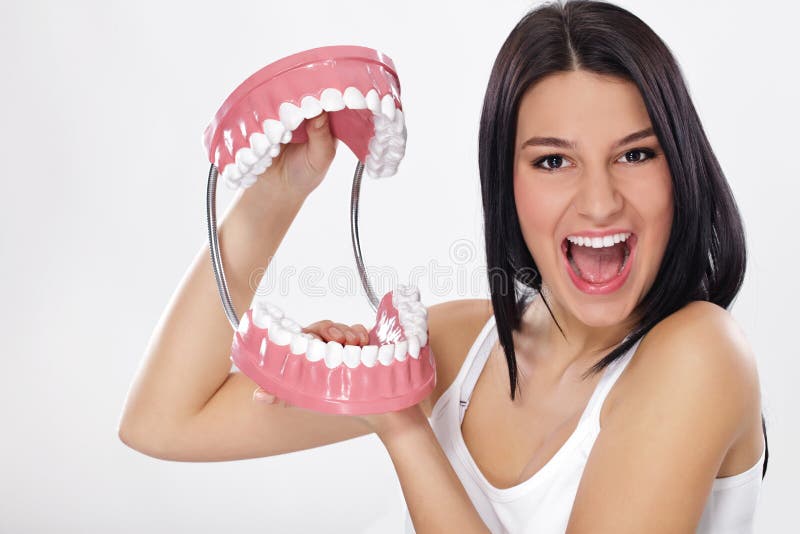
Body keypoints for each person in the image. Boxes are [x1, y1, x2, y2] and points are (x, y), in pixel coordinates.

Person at [118, 0, 768, 532]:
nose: (599, 202)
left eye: (635, 155)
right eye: (552, 160)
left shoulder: (699, 354)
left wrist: (399, 423)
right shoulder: (461, 345)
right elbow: (164, 421)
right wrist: (278, 194)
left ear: (680, 167)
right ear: (504, 181)